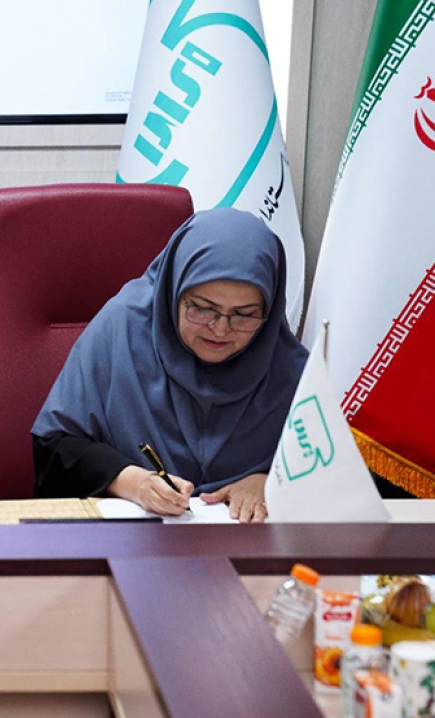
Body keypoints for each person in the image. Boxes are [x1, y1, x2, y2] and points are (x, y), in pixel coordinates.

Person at [32, 207, 307, 523]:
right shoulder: (123, 329)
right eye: (202, 309)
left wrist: (273, 482)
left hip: (247, 542)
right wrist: (131, 482)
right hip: (128, 539)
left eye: (244, 314)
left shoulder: (285, 364)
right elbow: (54, 449)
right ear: (172, 292)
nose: (220, 329)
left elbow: (334, 471)